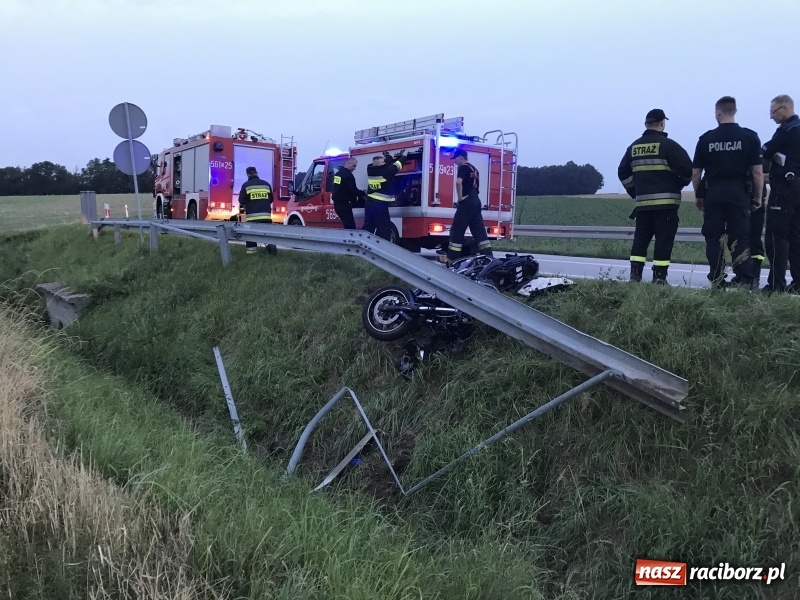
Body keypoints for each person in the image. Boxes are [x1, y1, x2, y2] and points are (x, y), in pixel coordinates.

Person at [692, 96, 763, 288]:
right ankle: (744, 278)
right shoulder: (750, 137)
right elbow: (757, 172)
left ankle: (716, 277)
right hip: (738, 192)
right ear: (734, 111)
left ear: (718, 112)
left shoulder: (706, 139)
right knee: (740, 236)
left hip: (714, 193)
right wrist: (757, 197)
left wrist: (699, 196)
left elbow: (696, 172)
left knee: (713, 236)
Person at [618, 108, 693, 284]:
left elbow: (622, 172)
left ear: (646, 124)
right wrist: (678, 183)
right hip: (666, 204)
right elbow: (688, 170)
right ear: (662, 123)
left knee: (641, 239)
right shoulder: (669, 146)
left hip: (643, 205)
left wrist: (634, 191)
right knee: (663, 240)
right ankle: (659, 278)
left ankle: (634, 276)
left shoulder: (634, 147)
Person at [761, 94, 800, 293]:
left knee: (776, 238)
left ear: (785, 108)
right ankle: (798, 282)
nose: (771, 117)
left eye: (773, 112)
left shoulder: (787, 130)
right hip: (798, 190)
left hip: (783, 189)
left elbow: (765, 151)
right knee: (796, 237)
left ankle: (776, 285)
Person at [445, 148, 493, 262]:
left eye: (455, 159)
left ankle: (451, 259)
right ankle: (489, 258)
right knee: (479, 232)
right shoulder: (475, 169)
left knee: (457, 230)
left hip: (466, 203)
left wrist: (460, 197)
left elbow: (458, 182)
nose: (454, 162)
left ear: (461, 157)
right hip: (476, 201)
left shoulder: (463, 168)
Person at [363, 149, 406, 240]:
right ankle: (383, 249)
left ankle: (364, 245)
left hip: (369, 203)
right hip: (379, 204)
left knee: (368, 227)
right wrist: (404, 156)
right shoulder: (385, 172)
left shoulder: (370, 169)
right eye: (382, 162)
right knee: (384, 228)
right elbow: (396, 167)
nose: (384, 163)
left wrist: (389, 158)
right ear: (379, 165)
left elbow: (384, 166)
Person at [238, 166, 274, 255]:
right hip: (266, 217)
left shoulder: (246, 185)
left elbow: (241, 200)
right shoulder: (266, 184)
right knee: (268, 236)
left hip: (252, 218)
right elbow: (271, 199)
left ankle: (252, 255)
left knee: (251, 237)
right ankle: (272, 253)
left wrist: (248, 204)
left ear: (247, 174)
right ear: (256, 173)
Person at [331, 157, 364, 230]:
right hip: (344, 203)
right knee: (351, 227)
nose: (354, 168)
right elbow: (353, 190)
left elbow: (337, 187)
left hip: (337, 204)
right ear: (349, 164)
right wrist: (363, 193)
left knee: (346, 225)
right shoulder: (348, 175)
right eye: (354, 166)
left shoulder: (338, 174)